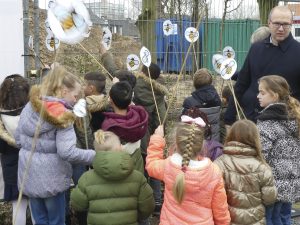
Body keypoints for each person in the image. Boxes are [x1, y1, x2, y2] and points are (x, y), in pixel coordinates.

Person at [15, 66, 96, 224]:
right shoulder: (62, 116)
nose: (75, 100)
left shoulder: (30, 106)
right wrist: (95, 155)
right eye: (74, 95)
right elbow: (67, 152)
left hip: (29, 175)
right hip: (52, 179)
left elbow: (18, 138)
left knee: (40, 221)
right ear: (64, 90)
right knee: (57, 221)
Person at [225, 6, 300, 125]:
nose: (281, 28)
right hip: (249, 119)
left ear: (291, 24)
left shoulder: (298, 52)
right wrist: (229, 117)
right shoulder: (256, 48)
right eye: (276, 23)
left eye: (285, 24)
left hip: (282, 125)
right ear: (269, 23)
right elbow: (241, 84)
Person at [146, 121, 230, 224]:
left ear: (176, 144)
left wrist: (157, 139)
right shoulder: (214, 172)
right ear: (202, 145)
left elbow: (151, 165)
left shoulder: (168, 166)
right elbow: (220, 210)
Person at [70, 129, 155, 225]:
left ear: (96, 151)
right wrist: (137, 216)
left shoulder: (86, 179)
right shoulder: (137, 178)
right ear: (120, 148)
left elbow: (77, 205)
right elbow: (147, 207)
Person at [214, 119, 277, 224]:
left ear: (230, 136)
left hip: (228, 219)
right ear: (255, 138)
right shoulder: (262, 167)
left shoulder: (219, 164)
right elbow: (269, 198)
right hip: (255, 220)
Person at [256, 75, 300, 224]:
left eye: (262, 93)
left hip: (272, 185)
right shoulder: (294, 115)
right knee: (284, 217)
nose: (258, 96)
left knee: (270, 219)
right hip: (291, 182)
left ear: (274, 95)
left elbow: (262, 156)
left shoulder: (267, 122)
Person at [0, 75, 34, 225]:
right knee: (36, 206)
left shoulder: (1, 118)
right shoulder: (32, 114)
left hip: (12, 166)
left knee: (18, 207)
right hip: (33, 163)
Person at [101, 81, 148, 174]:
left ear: (111, 100)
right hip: (137, 164)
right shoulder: (138, 116)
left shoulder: (109, 126)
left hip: (119, 167)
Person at [182, 68, 221, 141]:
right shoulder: (217, 100)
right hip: (214, 143)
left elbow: (182, 124)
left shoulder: (189, 102)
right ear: (210, 82)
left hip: (194, 144)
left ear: (194, 83)